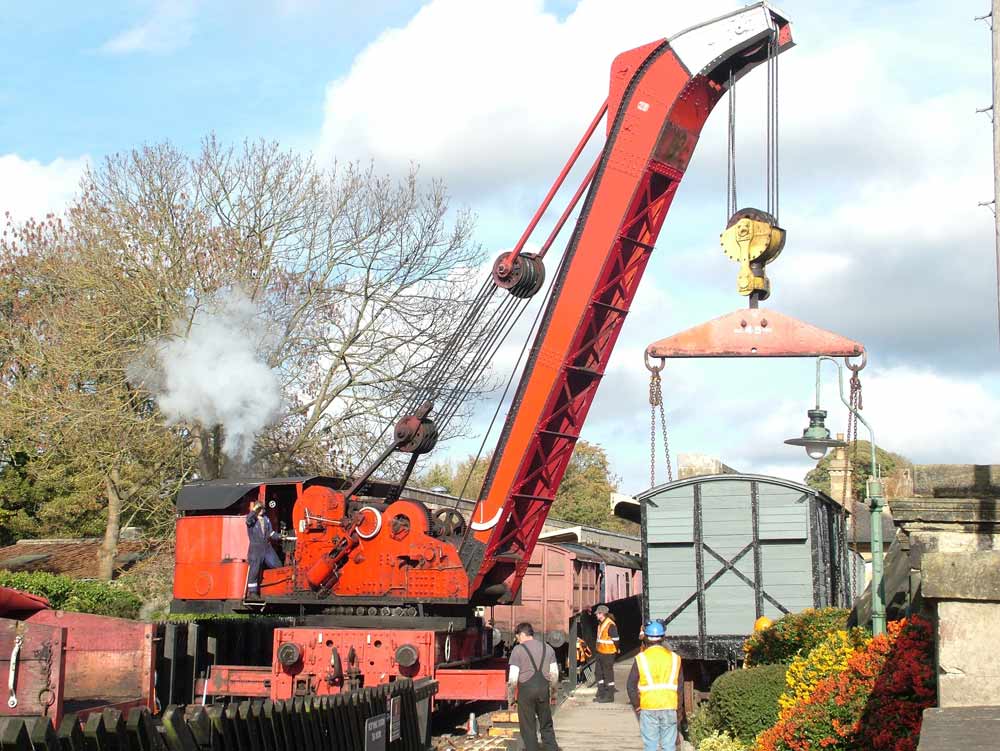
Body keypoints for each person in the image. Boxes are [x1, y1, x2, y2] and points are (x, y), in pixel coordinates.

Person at [627, 621, 682, 751]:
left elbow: (630, 685)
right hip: (669, 705)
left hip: (648, 706)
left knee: (650, 746)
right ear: (663, 638)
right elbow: (680, 687)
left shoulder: (641, 658)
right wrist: (678, 709)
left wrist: (637, 705)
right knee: (669, 746)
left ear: (646, 638)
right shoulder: (675, 658)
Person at [507, 622, 560, 751]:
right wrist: (553, 695)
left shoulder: (518, 650)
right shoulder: (548, 648)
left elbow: (513, 678)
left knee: (528, 729)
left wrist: (511, 699)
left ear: (522, 634)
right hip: (543, 691)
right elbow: (554, 675)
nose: (517, 640)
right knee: (546, 726)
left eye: (518, 637)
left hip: (526, 694)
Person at [246, 501, 282, 599]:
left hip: (266, 547)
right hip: (256, 548)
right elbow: (248, 521)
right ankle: (252, 593)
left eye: (263, 509)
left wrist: (280, 536)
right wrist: (254, 511)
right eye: (260, 509)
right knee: (255, 569)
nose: (262, 510)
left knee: (277, 565)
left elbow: (271, 533)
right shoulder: (252, 519)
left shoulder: (266, 519)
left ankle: (278, 588)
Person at [593, 604, 620, 702]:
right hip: (601, 652)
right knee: (598, 673)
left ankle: (609, 696)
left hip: (608, 653)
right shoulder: (601, 624)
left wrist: (617, 649)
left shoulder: (610, 625)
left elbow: (616, 639)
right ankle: (601, 693)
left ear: (602, 614)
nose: (596, 615)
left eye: (597, 614)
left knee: (608, 674)